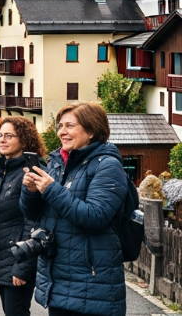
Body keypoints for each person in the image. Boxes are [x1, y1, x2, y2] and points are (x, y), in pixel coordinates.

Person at [20, 102, 129, 316]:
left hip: (92, 282)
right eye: (60, 126)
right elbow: (32, 214)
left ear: (91, 130)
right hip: (59, 277)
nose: (62, 132)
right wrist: (31, 191)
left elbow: (95, 216)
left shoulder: (107, 166)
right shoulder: (57, 163)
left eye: (70, 126)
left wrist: (51, 189)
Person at [0, 117, 42, 316]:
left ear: (24, 140)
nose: (2, 140)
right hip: (2, 256)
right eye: (0, 135)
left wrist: (23, 267)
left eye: (9, 136)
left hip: (19, 258)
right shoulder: (2, 171)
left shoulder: (32, 174)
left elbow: (36, 224)